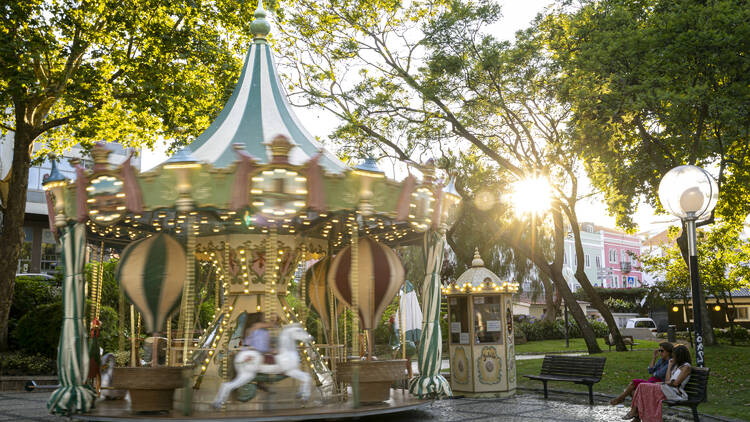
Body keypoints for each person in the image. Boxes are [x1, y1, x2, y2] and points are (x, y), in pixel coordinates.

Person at [623, 344, 692, 422]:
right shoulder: (676, 365)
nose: (672, 357)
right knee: (643, 387)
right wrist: (669, 366)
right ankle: (637, 414)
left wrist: (662, 383)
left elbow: (676, 383)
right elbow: (667, 379)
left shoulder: (686, 367)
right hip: (667, 389)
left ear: (679, 356)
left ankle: (635, 413)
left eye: (674, 355)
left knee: (642, 386)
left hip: (675, 392)